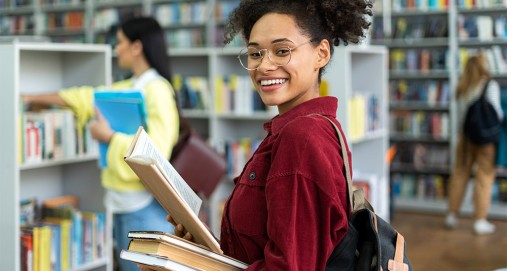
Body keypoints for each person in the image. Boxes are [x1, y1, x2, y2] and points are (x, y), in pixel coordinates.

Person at [140, 0, 373, 270]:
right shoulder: (298, 129)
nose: (264, 66)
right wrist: (204, 251)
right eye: (255, 53)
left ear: (321, 54)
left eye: (282, 50)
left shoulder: (302, 137)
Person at [22, 17, 179, 271]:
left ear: (136, 47)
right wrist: (30, 97)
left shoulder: (157, 90)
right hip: (120, 205)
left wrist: (109, 137)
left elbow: (157, 152)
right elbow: (86, 97)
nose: (116, 49)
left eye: (119, 42)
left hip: (142, 208)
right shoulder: (131, 86)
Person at [445, 53, 504, 235]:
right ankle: (479, 220)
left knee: (460, 174)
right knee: (484, 177)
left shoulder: (461, 87)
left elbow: (459, 118)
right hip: (486, 140)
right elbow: (498, 114)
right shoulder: (490, 85)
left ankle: (452, 215)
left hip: (465, 138)